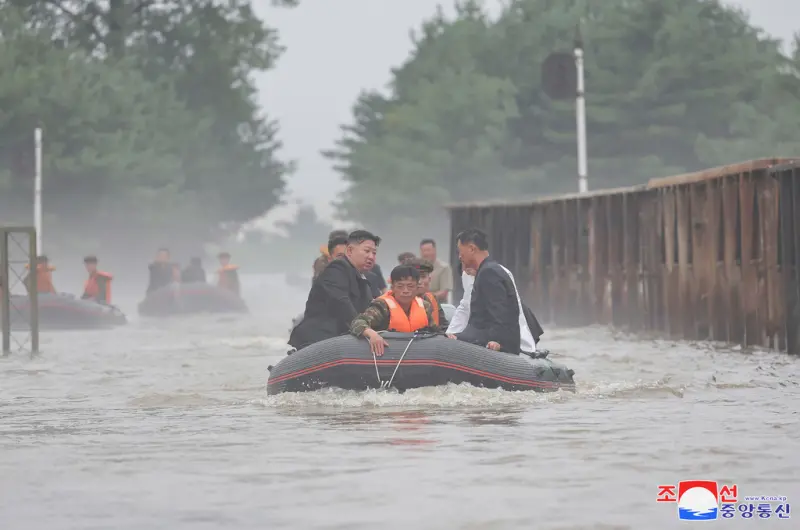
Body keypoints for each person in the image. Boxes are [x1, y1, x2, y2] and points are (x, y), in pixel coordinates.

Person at [289, 230, 380, 350]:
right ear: (350, 251)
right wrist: (364, 329)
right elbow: (341, 302)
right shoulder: (336, 269)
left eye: (374, 253)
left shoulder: (364, 279)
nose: (371, 257)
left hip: (345, 340)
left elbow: (371, 309)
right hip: (319, 339)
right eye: (367, 251)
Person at [446, 228, 527, 354]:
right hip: (479, 335)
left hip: (493, 341)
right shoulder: (486, 270)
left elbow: (500, 311)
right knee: (448, 338)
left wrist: (497, 340)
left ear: (472, 249)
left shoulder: (489, 273)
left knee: (450, 341)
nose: (459, 256)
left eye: (460, 251)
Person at [350, 265, 439, 356]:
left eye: (410, 286)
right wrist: (372, 334)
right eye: (400, 286)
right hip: (388, 356)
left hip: (418, 355)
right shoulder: (382, 305)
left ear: (417, 287)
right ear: (392, 287)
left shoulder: (425, 306)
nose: (405, 291)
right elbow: (357, 322)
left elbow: (435, 332)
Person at [405, 257, 449, 329]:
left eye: (423, 277)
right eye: (414, 277)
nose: (419, 281)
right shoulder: (400, 301)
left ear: (429, 279)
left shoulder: (432, 299)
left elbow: (443, 325)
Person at [419, 238, 453, 303]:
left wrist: (424, 297)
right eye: (423, 251)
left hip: (438, 306)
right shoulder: (416, 267)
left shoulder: (444, 268)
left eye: (428, 250)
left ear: (434, 250)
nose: (425, 253)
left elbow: (444, 293)